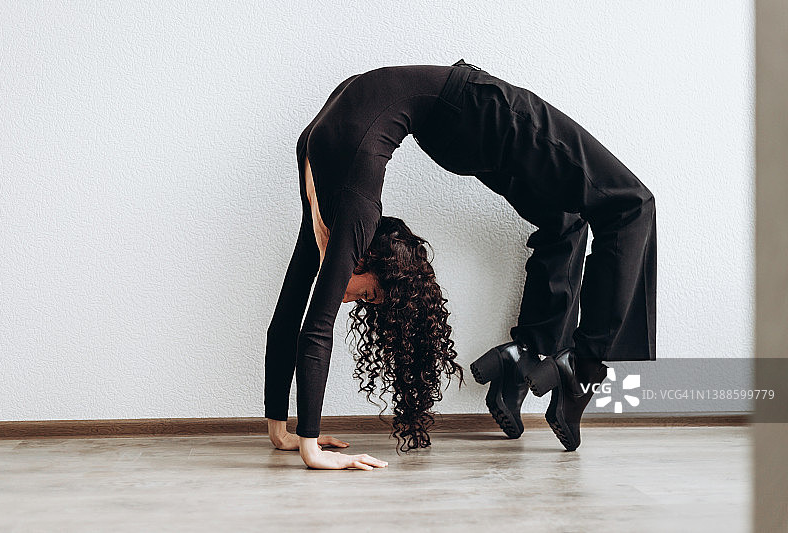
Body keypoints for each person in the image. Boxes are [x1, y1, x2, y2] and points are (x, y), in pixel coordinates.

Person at [265, 59, 657, 470]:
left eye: (366, 294)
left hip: (478, 110)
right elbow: (293, 316)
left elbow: (312, 327)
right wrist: (288, 435)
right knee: (617, 207)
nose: (355, 300)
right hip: (456, 125)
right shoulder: (336, 218)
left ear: (363, 255)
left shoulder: (350, 218)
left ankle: (529, 354)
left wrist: (304, 445)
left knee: (613, 208)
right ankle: (579, 365)